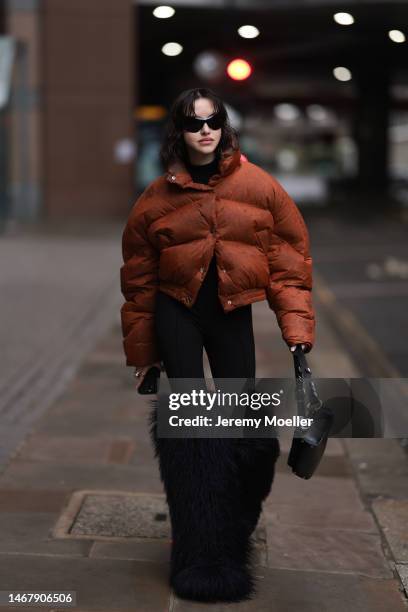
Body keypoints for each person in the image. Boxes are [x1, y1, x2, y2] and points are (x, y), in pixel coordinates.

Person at [120, 87, 315, 603]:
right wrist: (144, 356)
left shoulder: (259, 187)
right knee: (189, 434)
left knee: (244, 427)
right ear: (179, 132)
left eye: (212, 121)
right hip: (176, 314)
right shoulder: (155, 199)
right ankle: (194, 542)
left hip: (233, 316)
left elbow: (289, 262)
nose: (204, 131)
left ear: (224, 127)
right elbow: (138, 282)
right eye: (192, 123)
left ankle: (231, 529)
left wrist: (296, 334)